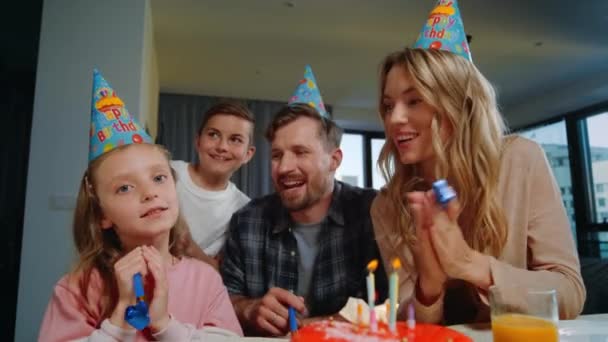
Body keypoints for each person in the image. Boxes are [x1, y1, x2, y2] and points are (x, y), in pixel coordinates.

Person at [370, 0, 585, 325]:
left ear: (459, 104)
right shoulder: (388, 205)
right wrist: (429, 286)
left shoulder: (520, 161)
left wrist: (470, 264)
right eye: (388, 106)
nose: (395, 119)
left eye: (414, 101)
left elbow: (570, 294)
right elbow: (409, 324)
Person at [39, 70, 242, 341]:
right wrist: (119, 320)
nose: (149, 193)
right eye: (125, 188)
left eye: (159, 178)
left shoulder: (205, 281)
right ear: (102, 215)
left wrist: (165, 325)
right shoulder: (78, 287)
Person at [220, 103, 388, 336]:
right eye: (277, 155)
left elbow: (394, 302)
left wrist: (324, 326)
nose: (285, 168)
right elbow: (224, 298)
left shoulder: (373, 213)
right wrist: (249, 309)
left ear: (334, 160)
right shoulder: (247, 221)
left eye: (300, 152)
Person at [171, 102, 255, 269]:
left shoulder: (244, 209)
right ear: (198, 141)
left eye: (235, 139)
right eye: (213, 135)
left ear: (248, 154)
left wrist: (189, 247)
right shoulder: (167, 173)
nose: (222, 147)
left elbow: (222, 273)